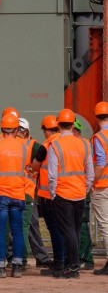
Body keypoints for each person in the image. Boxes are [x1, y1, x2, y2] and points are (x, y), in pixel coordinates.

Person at [46, 108, 94, 279]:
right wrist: (85, 189)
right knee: (74, 229)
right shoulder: (84, 144)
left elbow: (52, 175)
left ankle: (73, 266)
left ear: (58, 125)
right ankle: (72, 264)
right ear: (74, 125)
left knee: (68, 231)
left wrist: (53, 194)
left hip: (62, 194)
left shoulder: (55, 145)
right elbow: (90, 173)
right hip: (80, 194)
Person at [0, 113, 30, 278]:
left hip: (0, 193)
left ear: (1, 128)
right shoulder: (24, 147)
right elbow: (26, 166)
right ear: (17, 129)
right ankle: (17, 267)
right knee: (17, 231)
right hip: (18, 192)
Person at [31, 115, 67, 275]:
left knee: (55, 230)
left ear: (46, 131)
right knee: (66, 229)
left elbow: (35, 167)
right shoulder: (67, 143)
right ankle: (66, 261)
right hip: (67, 193)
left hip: (49, 195)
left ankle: (59, 262)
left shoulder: (46, 146)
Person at [16, 118, 52, 269]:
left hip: (26, 192)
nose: (18, 133)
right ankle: (34, 257)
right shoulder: (14, 145)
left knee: (29, 225)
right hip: (19, 191)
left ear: (27, 132)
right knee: (26, 226)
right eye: (15, 130)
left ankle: (35, 257)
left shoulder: (34, 146)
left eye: (21, 130)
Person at [73, 119, 95, 270]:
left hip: (80, 191)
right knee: (79, 226)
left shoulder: (83, 146)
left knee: (81, 225)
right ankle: (83, 258)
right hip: (78, 191)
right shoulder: (85, 145)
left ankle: (85, 259)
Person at [91, 101, 108, 275]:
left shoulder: (99, 138)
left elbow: (101, 164)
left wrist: (92, 183)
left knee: (105, 225)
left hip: (103, 186)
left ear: (96, 117)